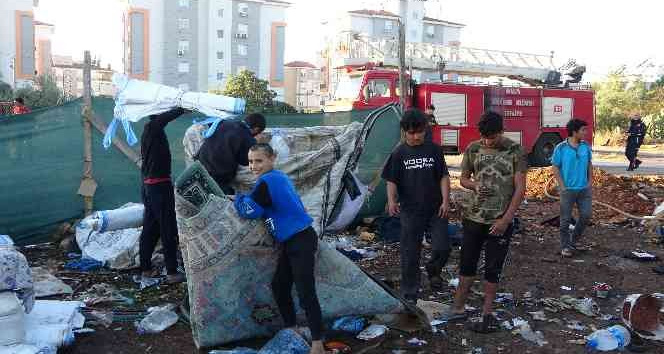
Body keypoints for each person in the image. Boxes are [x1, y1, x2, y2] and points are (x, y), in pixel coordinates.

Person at [234, 143, 325, 354]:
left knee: (305, 291)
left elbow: (250, 210)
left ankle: (318, 343)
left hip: (299, 240)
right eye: (250, 161)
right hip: (294, 240)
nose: (253, 166)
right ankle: (291, 328)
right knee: (279, 285)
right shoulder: (279, 178)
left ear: (272, 158)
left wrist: (238, 198)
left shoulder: (267, 181)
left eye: (259, 161)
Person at [444, 111, 527, 333]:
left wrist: (506, 219)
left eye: (492, 137)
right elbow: (463, 179)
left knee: (493, 268)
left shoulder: (515, 150)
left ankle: (486, 314)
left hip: (499, 220)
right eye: (485, 137)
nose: (488, 141)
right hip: (474, 217)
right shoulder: (473, 148)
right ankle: (458, 307)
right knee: (467, 264)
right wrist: (474, 186)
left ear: (502, 130)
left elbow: (520, 188)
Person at [381, 109, 451, 303]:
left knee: (442, 247)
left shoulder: (434, 150)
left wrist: (446, 201)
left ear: (424, 130)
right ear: (404, 132)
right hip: (411, 211)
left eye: (418, 131)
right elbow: (391, 180)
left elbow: (444, 176)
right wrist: (392, 200)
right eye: (410, 132)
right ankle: (410, 290)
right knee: (410, 252)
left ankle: (433, 270)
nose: (415, 136)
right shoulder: (399, 153)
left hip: (436, 208)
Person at [140, 108, 189, 284]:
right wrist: (181, 108)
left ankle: (145, 269)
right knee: (168, 228)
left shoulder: (151, 131)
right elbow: (164, 118)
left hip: (149, 185)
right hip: (159, 186)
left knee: (150, 228)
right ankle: (172, 272)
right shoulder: (153, 127)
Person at [196, 113, 266, 194]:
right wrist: (257, 143)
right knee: (229, 196)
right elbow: (245, 161)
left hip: (200, 163)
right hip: (217, 174)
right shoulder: (248, 139)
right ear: (256, 129)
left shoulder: (225, 123)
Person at [552, 119, 593, 258]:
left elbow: (589, 163)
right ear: (574, 132)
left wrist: (589, 181)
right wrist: (562, 186)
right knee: (565, 220)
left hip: (584, 189)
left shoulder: (585, 147)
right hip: (568, 190)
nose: (585, 132)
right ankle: (565, 246)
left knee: (586, 215)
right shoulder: (561, 148)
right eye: (583, 130)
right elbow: (555, 167)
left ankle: (573, 240)